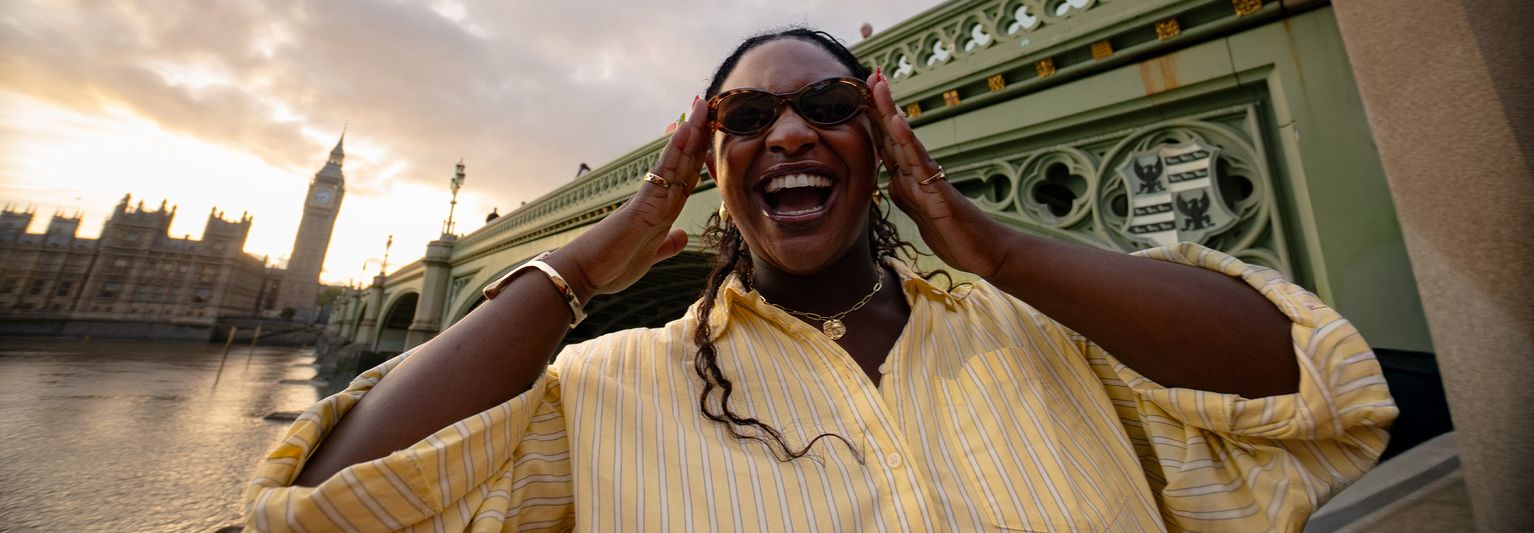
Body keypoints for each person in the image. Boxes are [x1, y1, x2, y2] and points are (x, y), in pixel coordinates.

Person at [244, 28, 1396, 532]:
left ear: (881, 143)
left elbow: (1305, 377)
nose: (789, 132)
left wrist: (993, 248)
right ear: (708, 160)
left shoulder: (1041, 329)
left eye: (828, 108)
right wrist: (586, 261)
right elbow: (331, 504)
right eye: (748, 118)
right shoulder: (609, 387)